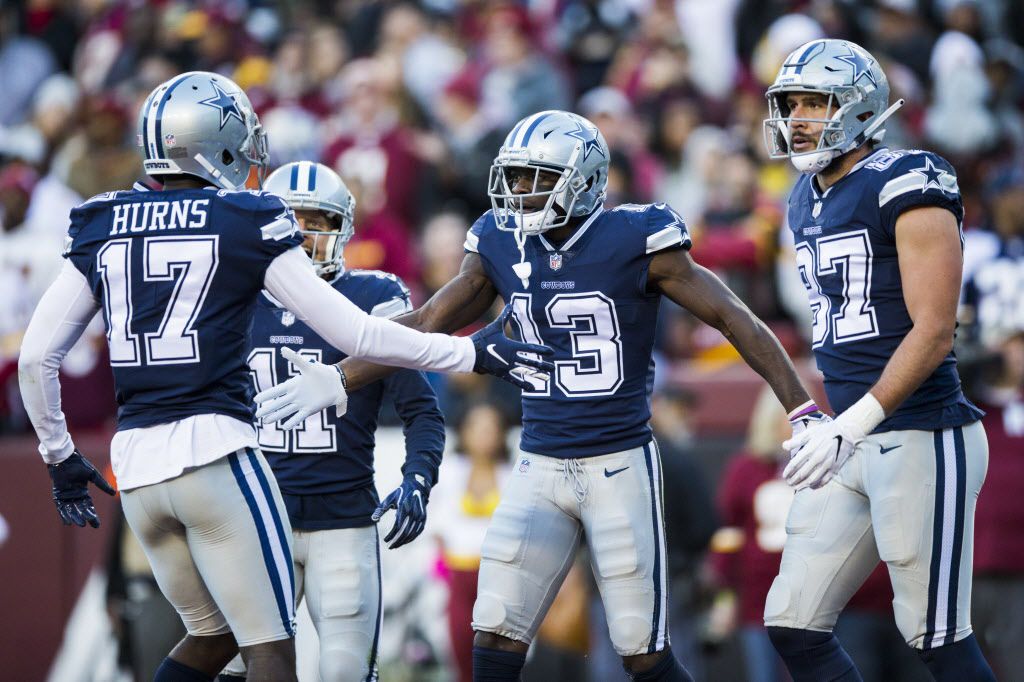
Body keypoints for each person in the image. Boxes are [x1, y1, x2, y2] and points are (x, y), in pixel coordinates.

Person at [16, 71, 551, 682]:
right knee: (270, 652)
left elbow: (35, 360)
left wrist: (59, 457)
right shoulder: (246, 217)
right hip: (217, 459)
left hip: (138, 468)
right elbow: (362, 338)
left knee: (211, 640)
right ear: (214, 142)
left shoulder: (100, 218)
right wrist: (470, 354)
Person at [256, 109, 818, 681]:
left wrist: (802, 408)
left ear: (584, 180)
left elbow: (733, 317)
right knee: (495, 630)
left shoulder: (635, 238)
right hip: (539, 460)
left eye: (535, 178)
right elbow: (425, 322)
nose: (518, 192)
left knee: (640, 650)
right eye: (514, 177)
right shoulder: (499, 241)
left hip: (617, 462)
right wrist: (340, 376)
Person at [762, 39, 995, 681]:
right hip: (854, 437)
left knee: (937, 637)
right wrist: (835, 425)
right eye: (791, 104)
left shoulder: (908, 177)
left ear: (860, 108)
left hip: (924, 433)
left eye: (816, 102)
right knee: (792, 623)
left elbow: (934, 330)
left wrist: (851, 423)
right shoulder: (804, 196)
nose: (799, 118)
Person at [217, 162, 446, 682]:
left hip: (342, 520)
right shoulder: (234, 296)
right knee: (239, 674)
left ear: (342, 228)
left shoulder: (371, 298)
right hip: (255, 520)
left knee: (345, 673)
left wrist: (418, 479)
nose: (303, 234)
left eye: (317, 219)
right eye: (291, 221)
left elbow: (421, 410)